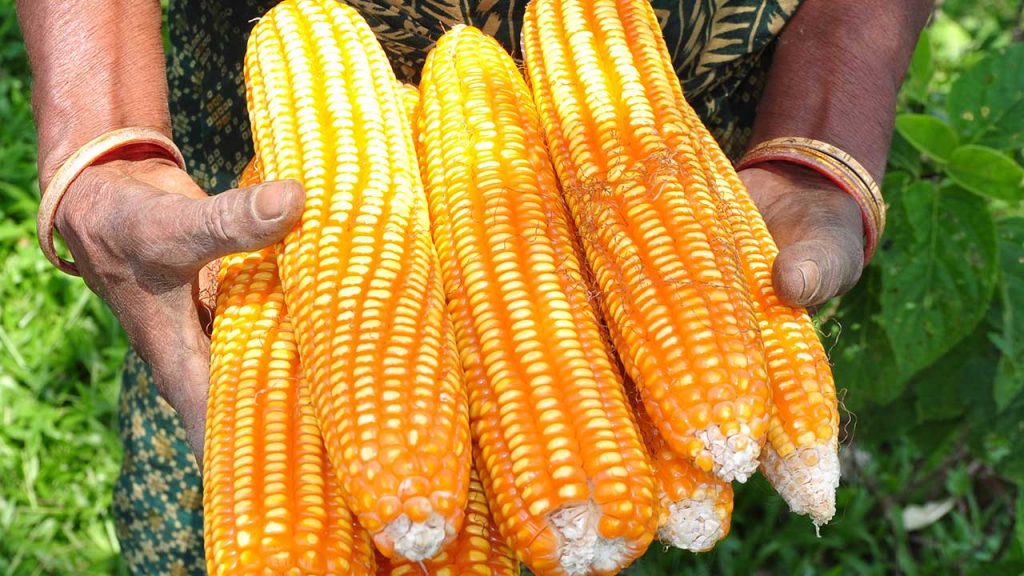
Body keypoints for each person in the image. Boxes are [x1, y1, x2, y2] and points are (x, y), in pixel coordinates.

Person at [18, 0, 932, 572]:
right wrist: (109, 144)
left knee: (622, 473)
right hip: (281, 128)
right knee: (216, 469)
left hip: (678, 77)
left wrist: (821, 129)